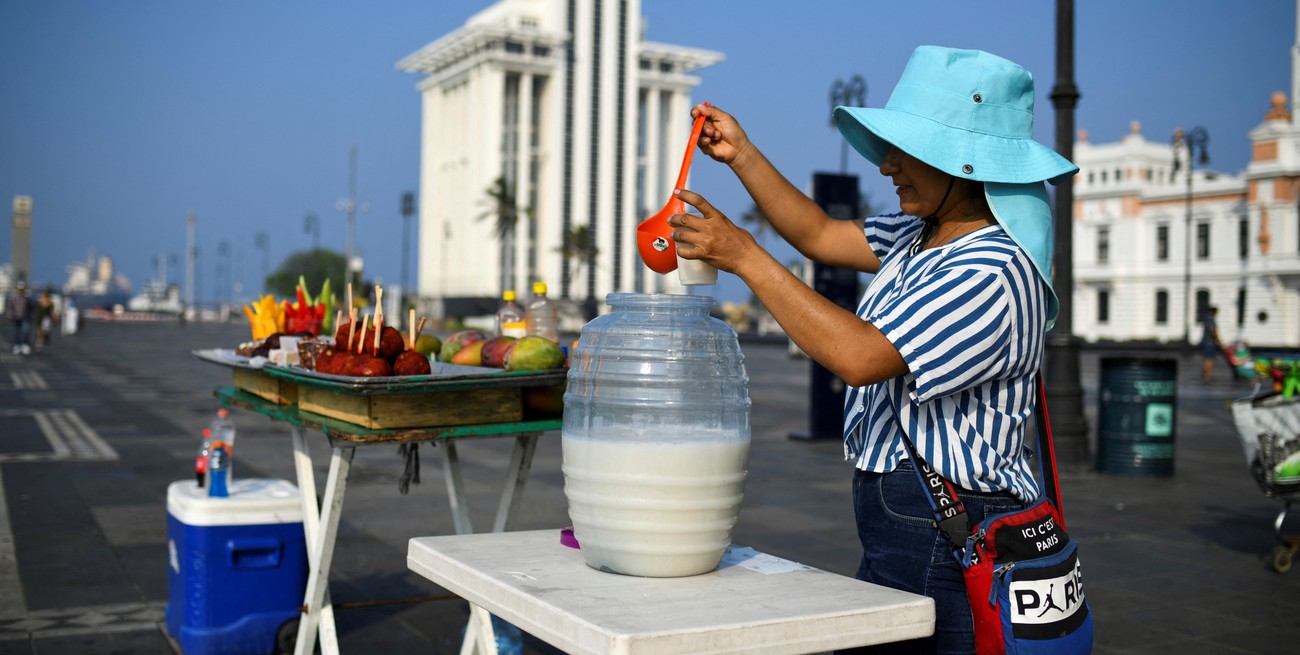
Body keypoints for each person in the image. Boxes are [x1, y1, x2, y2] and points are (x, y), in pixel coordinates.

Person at [668, 45, 1078, 653]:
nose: (887, 165)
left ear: (965, 163)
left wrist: (743, 255)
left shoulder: (994, 270)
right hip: (910, 516)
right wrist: (743, 156)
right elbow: (820, 235)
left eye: (908, 151)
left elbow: (861, 358)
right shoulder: (923, 236)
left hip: (951, 523)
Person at [5, 282, 33, 355]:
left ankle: (25, 345)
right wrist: (10, 314)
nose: (21, 291)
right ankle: (17, 345)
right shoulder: (14, 298)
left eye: (22, 289)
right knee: (16, 332)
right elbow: (10, 307)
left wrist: (30, 316)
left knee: (25, 332)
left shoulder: (27, 298)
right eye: (19, 289)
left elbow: (30, 308)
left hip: (25, 317)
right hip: (16, 317)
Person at [1201, 306, 1224, 382]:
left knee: (1206, 358)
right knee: (1210, 359)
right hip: (1210, 343)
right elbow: (1213, 331)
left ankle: (1205, 374)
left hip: (1206, 342)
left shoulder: (1206, 318)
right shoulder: (1211, 319)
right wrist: (1218, 341)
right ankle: (1208, 375)